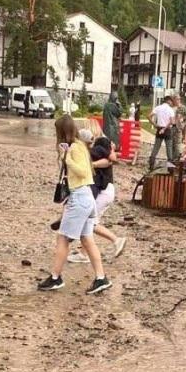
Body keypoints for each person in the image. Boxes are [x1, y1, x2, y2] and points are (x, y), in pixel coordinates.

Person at [38, 115, 112, 294]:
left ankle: (55, 277)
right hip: (85, 197)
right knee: (86, 239)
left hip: (79, 198)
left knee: (63, 238)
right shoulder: (79, 145)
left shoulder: (75, 148)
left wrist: (66, 158)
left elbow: (83, 170)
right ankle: (101, 278)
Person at [68, 128, 126, 263]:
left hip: (104, 192)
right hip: (106, 191)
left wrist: (89, 164)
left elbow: (110, 160)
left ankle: (116, 240)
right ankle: (83, 253)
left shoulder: (98, 148)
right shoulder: (100, 148)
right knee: (88, 222)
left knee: (91, 222)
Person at [148, 94, 175, 169]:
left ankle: (151, 164)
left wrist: (155, 124)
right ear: (168, 101)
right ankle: (170, 167)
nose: (172, 103)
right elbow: (172, 122)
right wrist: (165, 128)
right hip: (167, 130)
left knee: (156, 147)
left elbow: (148, 116)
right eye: (171, 101)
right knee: (169, 148)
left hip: (159, 129)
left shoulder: (158, 108)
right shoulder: (170, 110)